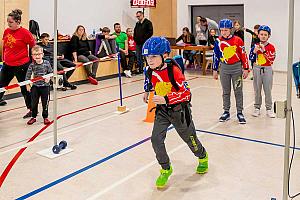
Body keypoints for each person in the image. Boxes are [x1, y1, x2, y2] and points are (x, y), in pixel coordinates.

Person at [142, 37, 208, 188]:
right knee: (156, 139)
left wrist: (167, 98)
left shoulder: (174, 71)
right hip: (162, 112)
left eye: (153, 56)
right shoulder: (148, 70)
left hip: (179, 111)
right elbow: (148, 80)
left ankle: (202, 156)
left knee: (190, 139)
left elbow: (187, 94)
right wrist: (146, 91)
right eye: (147, 57)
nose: (149, 61)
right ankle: (166, 168)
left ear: (164, 56)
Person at [212, 19, 249, 124]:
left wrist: (246, 68)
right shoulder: (218, 41)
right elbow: (216, 56)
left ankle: (240, 112)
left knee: (238, 91)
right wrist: (215, 69)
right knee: (225, 91)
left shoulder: (238, 40)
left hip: (237, 68)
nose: (223, 32)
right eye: (222, 30)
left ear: (230, 30)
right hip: (224, 68)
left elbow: (243, 54)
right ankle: (226, 111)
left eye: (226, 30)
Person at [0, 9, 35, 119]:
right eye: (7, 21)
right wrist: (3, 59)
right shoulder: (6, 31)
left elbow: (33, 47)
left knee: (24, 88)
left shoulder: (25, 33)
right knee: (1, 86)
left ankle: (31, 110)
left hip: (21, 65)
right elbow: (5, 46)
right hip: (8, 65)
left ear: (18, 22)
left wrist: (32, 62)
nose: (8, 24)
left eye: (11, 22)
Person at [249, 25, 276, 118]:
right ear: (258, 35)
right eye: (261, 34)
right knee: (257, 90)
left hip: (267, 69)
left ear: (269, 36)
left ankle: (269, 108)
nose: (263, 36)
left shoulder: (271, 47)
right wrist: (254, 52)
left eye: (265, 34)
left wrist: (264, 51)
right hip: (257, 68)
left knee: (268, 90)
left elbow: (271, 60)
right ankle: (257, 108)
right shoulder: (255, 46)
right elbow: (250, 58)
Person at [25, 45, 52, 125]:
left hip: (45, 87)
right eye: (35, 54)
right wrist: (27, 85)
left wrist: (48, 77)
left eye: (39, 54)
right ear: (32, 56)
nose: (37, 56)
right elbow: (27, 76)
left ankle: (45, 117)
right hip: (35, 87)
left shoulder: (46, 63)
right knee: (34, 103)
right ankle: (33, 117)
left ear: (42, 55)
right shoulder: (31, 65)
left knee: (45, 103)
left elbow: (50, 72)